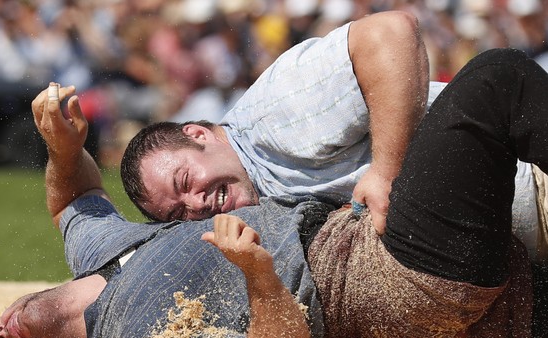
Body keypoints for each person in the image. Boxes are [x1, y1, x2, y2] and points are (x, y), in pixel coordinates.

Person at [0, 47, 548, 338]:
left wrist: (64, 150)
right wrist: (260, 279)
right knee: (495, 81)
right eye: (175, 206)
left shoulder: (103, 248)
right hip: (385, 283)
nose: (194, 207)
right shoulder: (137, 336)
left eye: (184, 186)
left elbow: (74, 200)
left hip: (391, 250)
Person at [118, 11, 544, 263]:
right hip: (509, 256)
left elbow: (392, 30)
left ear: (197, 135)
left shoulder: (272, 120)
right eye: (178, 214)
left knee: (499, 75)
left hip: (534, 180)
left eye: (184, 182)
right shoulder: (250, 201)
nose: (196, 204)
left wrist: (386, 173)